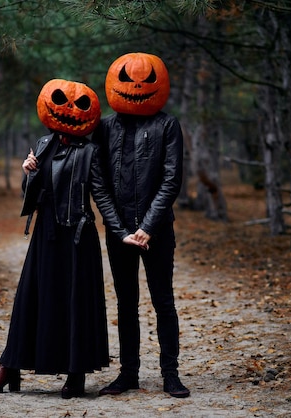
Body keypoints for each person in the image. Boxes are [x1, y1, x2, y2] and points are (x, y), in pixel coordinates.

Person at [0, 79, 116, 399]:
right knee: (29, 298)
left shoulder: (90, 152)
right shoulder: (43, 144)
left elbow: (103, 197)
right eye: (61, 101)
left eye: (79, 104)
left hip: (77, 237)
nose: (69, 109)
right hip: (46, 234)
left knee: (74, 303)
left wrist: (123, 232)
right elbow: (32, 197)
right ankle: (10, 366)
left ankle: (75, 373)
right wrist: (29, 173)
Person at [90, 52, 190, 398]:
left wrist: (147, 227)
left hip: (157, 232)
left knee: (163, 300)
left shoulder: (167, 126)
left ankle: (170, 374)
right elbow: (97, 181)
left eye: (145, 79)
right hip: (120, 234)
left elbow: (171, 180)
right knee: (126, 303)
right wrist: (120, 230)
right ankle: (128, 374)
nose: (135, 86)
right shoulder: (103, 128)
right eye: (128, 79)